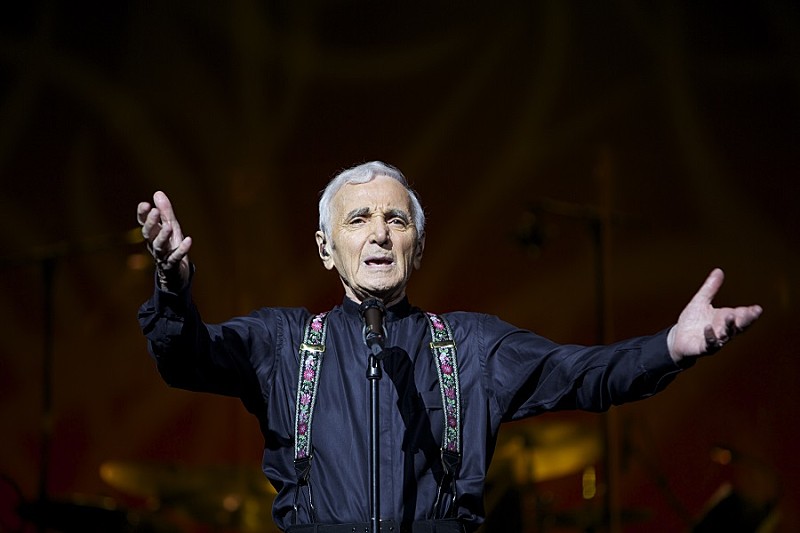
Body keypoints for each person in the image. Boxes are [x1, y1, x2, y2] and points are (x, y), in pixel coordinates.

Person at [137, 161, 762, 533]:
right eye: (358, 219)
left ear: (417, 247)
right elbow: (187, 356)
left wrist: (670, 347)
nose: (380, 233)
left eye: (396, 220)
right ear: (326, 248)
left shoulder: (471, 346)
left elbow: (582, 373)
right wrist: (171, 286)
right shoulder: (284, 343)